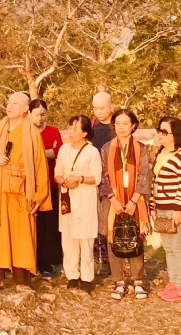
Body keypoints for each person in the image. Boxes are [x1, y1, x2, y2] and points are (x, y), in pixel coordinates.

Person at [0, 92, 51, 292]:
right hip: (0, 191)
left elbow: (40, 166)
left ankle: (22, 281)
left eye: (15, 103)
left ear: (26, 108)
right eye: (9, 102)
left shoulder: (32, 133)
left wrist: (39, 196)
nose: (9, 106)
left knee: (22, 236)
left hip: (22, 192)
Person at [100, 109, 150, 300]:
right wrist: (113, 199)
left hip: (135, 199)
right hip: (113, 199)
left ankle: (138, 280)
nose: (121, 127)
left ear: (133, 125)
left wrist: (134, 200)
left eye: (125, 123)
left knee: (135, 236)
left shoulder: (141, 148)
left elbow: (144, 175)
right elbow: (103, 176)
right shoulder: (106, 148)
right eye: (118, 123)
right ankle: (119, 281)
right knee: (114, 238)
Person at [54, 116, 101, 294]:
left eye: (75, 128)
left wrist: (79, 178)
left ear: (85, 132)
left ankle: (87, 277)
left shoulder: (92, 152)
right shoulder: (64, 149)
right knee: (68, 237)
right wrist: (64, 181)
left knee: (85, 239)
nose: (71, 131)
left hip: (85, 197)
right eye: (70, 127)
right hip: (67, 196)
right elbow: (57, 172)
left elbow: (96, 178)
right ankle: (72, 274)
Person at [153, 117, 181, 302]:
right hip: (161, 208)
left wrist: (177, 209)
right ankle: (173, 281)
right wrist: (153, 205)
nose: (160, 135)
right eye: (159, 130)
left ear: (175, 134)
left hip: (177, 209)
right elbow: (155, 182)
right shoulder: (161, 153)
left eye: (164, 132)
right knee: (168, 247)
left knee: (177, 247)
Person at [29, 99, 64, 278]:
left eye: (43, 114)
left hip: (52, 183)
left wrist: (37, 153)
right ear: (29, 114)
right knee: (35, 225)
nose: (40, 118)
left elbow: (59, 152)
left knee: (51, 225)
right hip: (31, 185)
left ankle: (52, 261)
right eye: (36, 115)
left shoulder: (53, 131)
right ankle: (36, 262)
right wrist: (47, 152)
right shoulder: (25, 132)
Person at [91, 91, 114, 275]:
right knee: (98, 220)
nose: (98, 112)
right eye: (95, 108)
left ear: (111, 107)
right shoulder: (92, 126)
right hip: (94, 179)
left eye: (102, 108)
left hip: (113, 180)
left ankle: (117, 258)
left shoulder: (117, 126)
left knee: (112, 219)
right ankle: (101, 260)